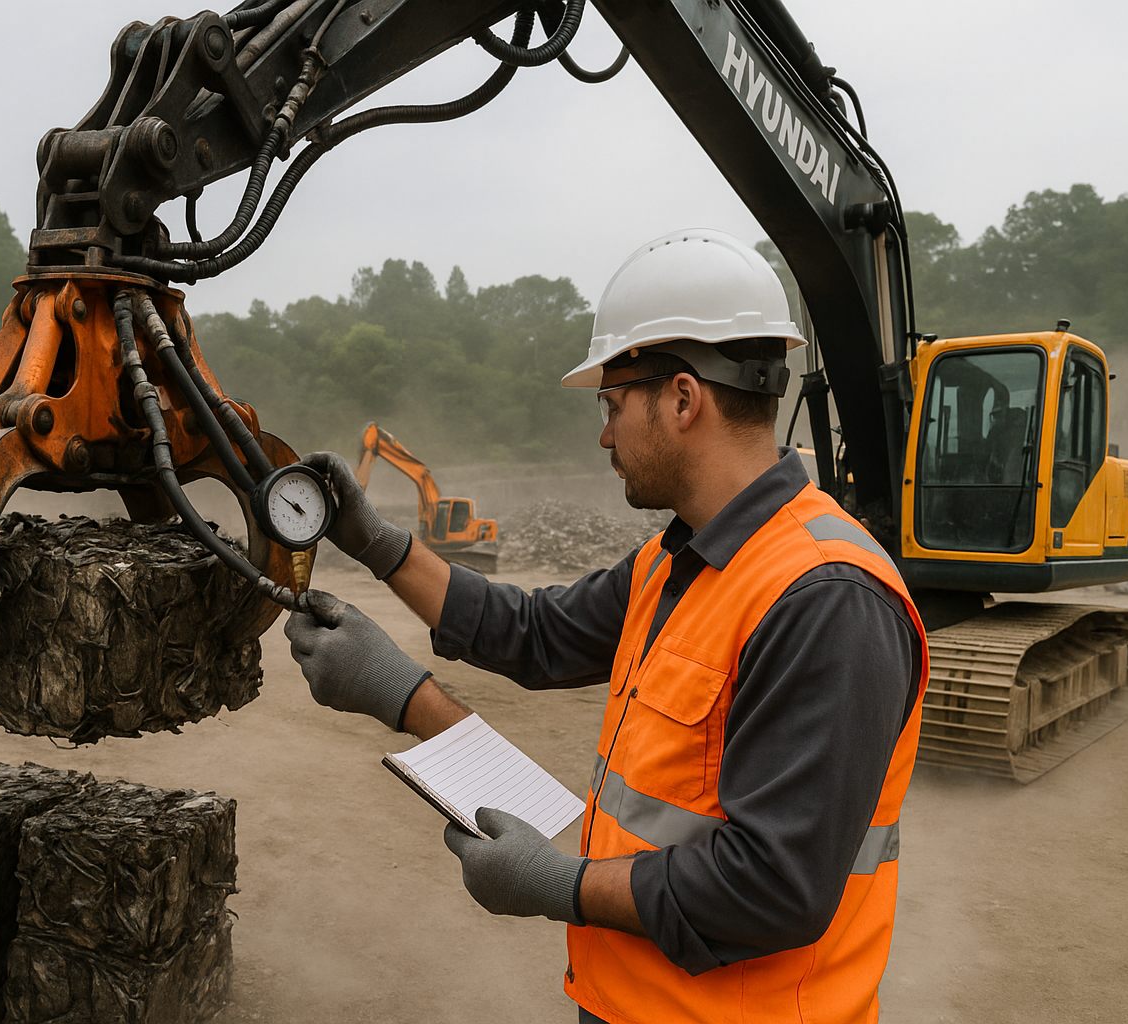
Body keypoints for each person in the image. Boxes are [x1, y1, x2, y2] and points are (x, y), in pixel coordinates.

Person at [284, 228, 929, 1024]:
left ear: (683, 399)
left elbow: (775, 885)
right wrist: (380, 547)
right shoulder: (678, 557)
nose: (603, 434)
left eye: (613, 404)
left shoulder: (825, 599)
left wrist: (562, 884)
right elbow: (537, 634)